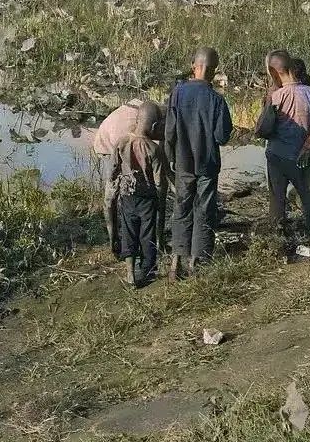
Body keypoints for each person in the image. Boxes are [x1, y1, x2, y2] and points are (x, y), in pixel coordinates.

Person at [164, 46, 233, 281]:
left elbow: (169, 130)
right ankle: (196, 262)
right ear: (213, 71)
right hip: (207, 164)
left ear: (194, 66)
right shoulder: (216, 100)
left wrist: (170, 156)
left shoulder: (178, 93)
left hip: (182, 162)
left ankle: (175, 263)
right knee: (204, 209)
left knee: (181, 208)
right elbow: (222, 136)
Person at [109, 101, 170, 286]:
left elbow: (113, 171)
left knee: (128, 232)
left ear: (137, 120)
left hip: (127, 195)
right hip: (147, 199)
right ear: (153, 126)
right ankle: (147, 270)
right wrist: (160, 202)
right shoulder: (153, 148)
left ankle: (130, 273)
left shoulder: (122, 142)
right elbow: (159, 182)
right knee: (146, 235)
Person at [263, 51, 310, 234]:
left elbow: (264, 128)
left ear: (275, 73)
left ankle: (278, 232)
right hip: (301, 155)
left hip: (276, 154)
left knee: (277, 197)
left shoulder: (276, 96)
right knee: (308, 193)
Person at [94, 97, 150, 254]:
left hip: (116, 138)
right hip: (107, 146)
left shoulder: (143, 115)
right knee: (116, 194)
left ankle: (124, 240)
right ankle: (115, 239)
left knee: (123, 193)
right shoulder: (130, 127)